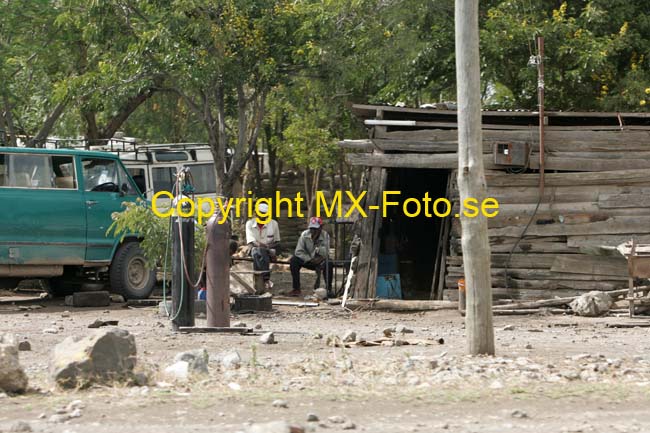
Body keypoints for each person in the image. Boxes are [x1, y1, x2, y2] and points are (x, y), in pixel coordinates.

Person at [289, 217, 332, 297]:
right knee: (294, 260)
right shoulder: (304, 234)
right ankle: (296, 288)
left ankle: (329, 289)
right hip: (308, 260)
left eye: (315, 229)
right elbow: (298, 251)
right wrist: (309, 259)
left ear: (320, 228)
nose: (313, 231)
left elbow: (326, 252)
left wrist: (316, 244)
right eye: (312, 228)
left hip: (320, 260)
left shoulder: (325, 235)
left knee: (329, 263)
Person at [245, 202, 281, 291]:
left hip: (270, 249)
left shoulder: (273, 224)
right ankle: (265, 278)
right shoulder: (249, 223)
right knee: (257, 251)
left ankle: (260, 280)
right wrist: (265, 247)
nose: (262, 216)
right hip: (254, 248)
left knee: (260, 252)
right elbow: (252, 241)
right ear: (256, 213)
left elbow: (277, 241)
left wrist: (269, 247)